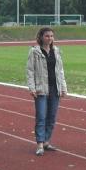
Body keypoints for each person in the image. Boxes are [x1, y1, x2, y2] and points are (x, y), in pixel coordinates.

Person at [26, 27, 68, 156]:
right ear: (41, 37)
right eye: (47, 36)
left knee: (52, 117)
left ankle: (46, 141)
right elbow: (30, 70)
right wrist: (32, 87)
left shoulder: (56, 51)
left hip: (55, 88)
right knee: (41, 116)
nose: (50, 38)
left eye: (51, 36)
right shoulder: (34, 51)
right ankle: (39, 143)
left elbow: (60, 70)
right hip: (41, 89)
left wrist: (63, 87)